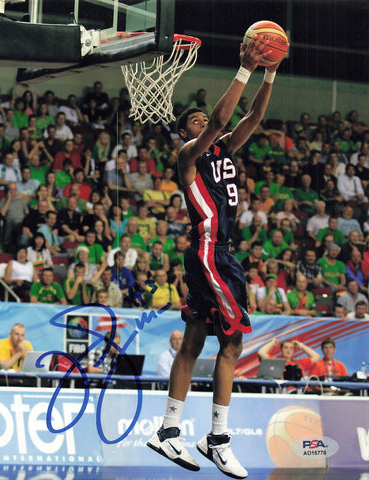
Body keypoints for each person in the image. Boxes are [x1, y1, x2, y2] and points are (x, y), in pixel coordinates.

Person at [147, 37, 281, 478]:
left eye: (205, 120)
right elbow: (222, 118)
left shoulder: (225, 150)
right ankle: (217, 439)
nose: (207, 123)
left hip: (214, 252)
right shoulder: (187, 155)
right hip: (210, 251)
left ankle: (168, 431)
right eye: (197, 121)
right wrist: (242, 68)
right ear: (186, 133)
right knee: (234, 342)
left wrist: (270, 72)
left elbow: (252, 116)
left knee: (194, 341)